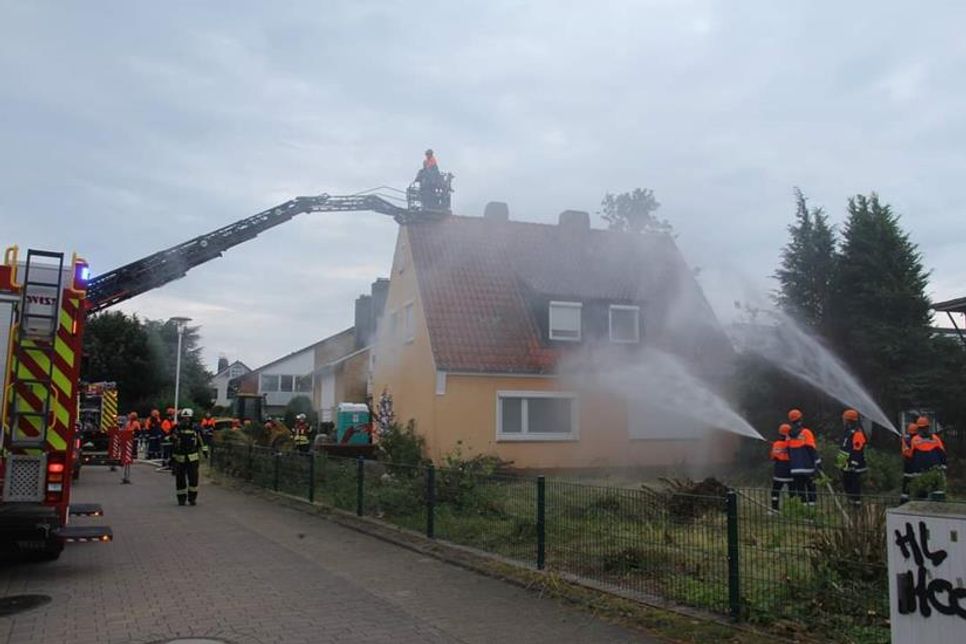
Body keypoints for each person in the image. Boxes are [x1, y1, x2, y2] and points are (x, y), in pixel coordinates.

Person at [171, 408, 207, 506]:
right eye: (184, 418)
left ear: (191, 418)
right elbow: (173, 443)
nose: (186, 420)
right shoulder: (177, 428)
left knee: (193, 479)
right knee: (180, 480)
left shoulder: (196, 428)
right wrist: (172, 460)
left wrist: (205, 451)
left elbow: (202, 440)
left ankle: (192, 498)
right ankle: (181, 499)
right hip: (180, 458)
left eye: (188, 418)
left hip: (193, 458)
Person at [786, 408, 821, 507]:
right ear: (801, 418)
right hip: (807, 468)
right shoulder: (806, 432)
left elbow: (788, 450)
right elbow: (811, 449)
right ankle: (812, 510)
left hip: (795, 469)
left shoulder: (788, 435)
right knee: (811, 488)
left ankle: (804, 510)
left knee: (801, 491)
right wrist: (818, 462)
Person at [907, 416, 947, 498]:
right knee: (936, 491)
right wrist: (944, 465)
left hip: (921, 471)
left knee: (922, 493)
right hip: (934, 470)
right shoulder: (935, 438)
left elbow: (910, 456)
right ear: (928, 427)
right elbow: (942, 453)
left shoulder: (914, 439)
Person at [836, 409, 867, 507]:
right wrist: (840, 463)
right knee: (847, 482)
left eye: (845, 419)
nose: (843, 421)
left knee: (854, 483)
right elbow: (844, 448)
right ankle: (850, 502)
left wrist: (854, 463)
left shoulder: (857, 433)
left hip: (854, 463)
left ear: (849, 420)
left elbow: (857, 449)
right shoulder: (847, 432)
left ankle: (856, 504)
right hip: (846, 463)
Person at [770, 423, 792, 512]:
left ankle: (775, 509)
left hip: (779, 471)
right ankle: (792, 509)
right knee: (793, 492)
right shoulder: (792, 444)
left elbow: (773, 457)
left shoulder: (776, 444)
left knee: (775, 491)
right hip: (790, 472)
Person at [900, 421, 918, 503]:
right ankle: (918, 500)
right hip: (916, 463)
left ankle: (904, 501)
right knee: (918, 482)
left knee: (906, 483)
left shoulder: (906, 440)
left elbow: (905, 452)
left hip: (907, 464)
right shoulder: (917, 440)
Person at [119, 412, 139, 484]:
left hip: (131, 438)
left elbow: (137, 431)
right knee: (129, 453)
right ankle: (125, 476)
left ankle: (126, 476)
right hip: (128, 438)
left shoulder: (135, 423)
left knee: (132, 450)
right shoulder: (129, 423)